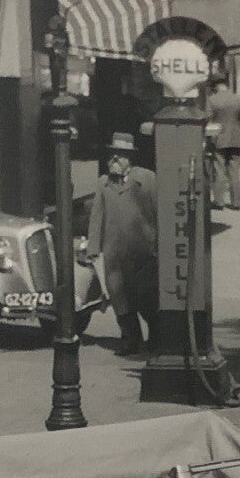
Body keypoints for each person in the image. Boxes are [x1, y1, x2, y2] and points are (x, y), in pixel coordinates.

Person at [82, 133, 160, 356]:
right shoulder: (103, 184)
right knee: (119, 298)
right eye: (112, 156)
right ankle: (131, 339)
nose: (114, 159)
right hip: (114, 255)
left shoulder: (146, 179)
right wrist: (93, 249)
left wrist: (160, 245)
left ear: (130, 159)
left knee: (145, 298)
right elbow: (96, 217)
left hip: (143, 253)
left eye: (121, 155)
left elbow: (159, 212)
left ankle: (156, 337)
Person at [205, 75, 240, 210]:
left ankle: (219, 201)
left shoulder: (212, 100)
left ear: (215, 86)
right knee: (234, 171)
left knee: (219, 169)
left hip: (218, 139)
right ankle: (236, 202)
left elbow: (207, 119)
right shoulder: (238, 98)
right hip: (236, 138)